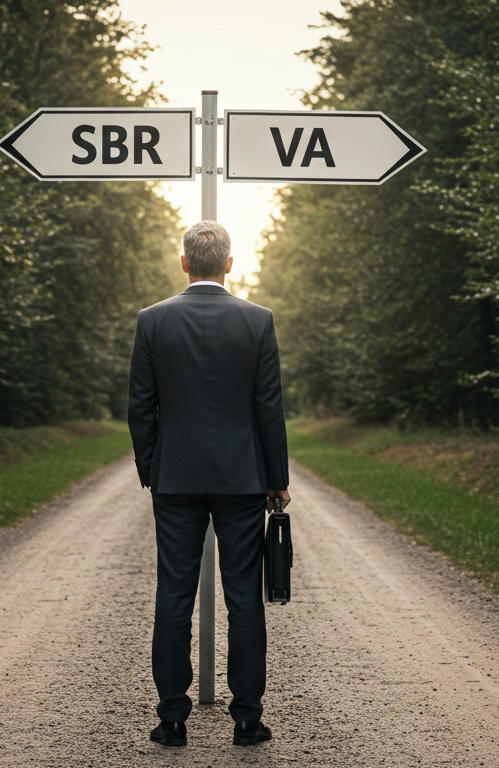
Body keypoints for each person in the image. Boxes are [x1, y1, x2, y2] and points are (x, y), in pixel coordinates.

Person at [127, 220, 290, 748]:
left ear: (183, 263)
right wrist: (276, 479)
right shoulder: (257, 320)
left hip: (175, 480)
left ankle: (172, 720)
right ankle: (247, 720)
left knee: (173, 594)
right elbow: (269, 406)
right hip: (242, 479)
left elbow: (140, 408)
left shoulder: (152, 321)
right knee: (244, 597)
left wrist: (153, 469)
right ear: (228, 264)